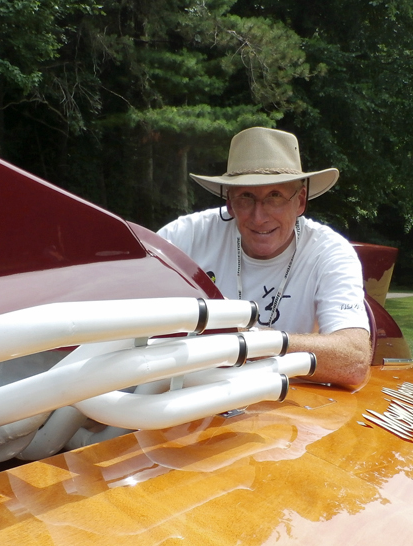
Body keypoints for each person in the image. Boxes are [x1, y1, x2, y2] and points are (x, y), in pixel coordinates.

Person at [157, 127, 372, 387]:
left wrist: (254, 340)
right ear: (229, 203)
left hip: (277, 405)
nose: (259, 217)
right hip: (184, 397)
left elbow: (354, 360)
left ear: (300, 201)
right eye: (246, 197)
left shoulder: (329, 252)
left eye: (275, 197)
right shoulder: (186, 236)